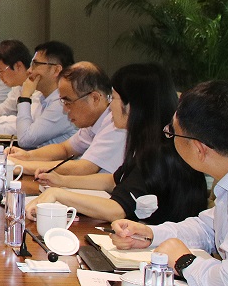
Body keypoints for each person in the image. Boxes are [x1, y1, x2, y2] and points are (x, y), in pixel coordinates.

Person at [111, 81, 228, 286]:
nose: (169, 137)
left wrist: (184, 261)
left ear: (199, 149)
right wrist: (151, 235)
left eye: (172, 132)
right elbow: (210, 227)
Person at [28, 64, 207, 224]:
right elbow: (112, 180)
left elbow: (116, 210)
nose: (109, 106)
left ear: (132, 106)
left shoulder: (159, 152)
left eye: (113, 98)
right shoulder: (151, 142)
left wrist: (58, 194)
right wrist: (62, 181)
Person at [8, 62, 126, 187]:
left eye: (68, 102)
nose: (65, 109)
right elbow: (65, 149)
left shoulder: (116, 124)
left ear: (95, 98)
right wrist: (27, 156)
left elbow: (83, 168)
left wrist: (19, 165)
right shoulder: (95, 120)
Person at [0, 41, 77, 148]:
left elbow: (25, 139)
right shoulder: (43, 97)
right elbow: (24, 124)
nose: (29, 71)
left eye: (35, 65)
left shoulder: (62, 104)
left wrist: (24, 98)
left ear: (56, 70)